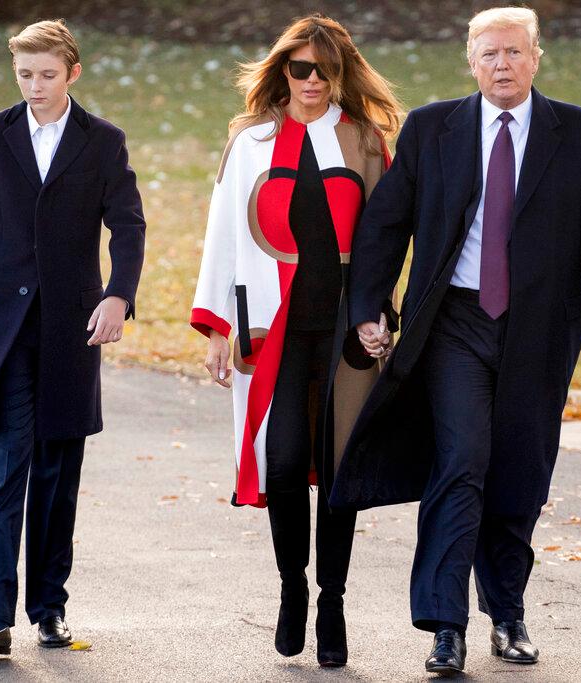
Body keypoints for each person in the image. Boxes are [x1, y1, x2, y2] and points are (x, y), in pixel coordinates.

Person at [331, 6, 581, 676]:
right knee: (461, 460)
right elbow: (387, 222)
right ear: (471, 59)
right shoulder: (435, 128)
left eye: (515, 53)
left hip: (540, 330)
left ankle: (509, 612)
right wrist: (370, 307)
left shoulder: (578, 133)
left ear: (536, 57)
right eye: (490, 53)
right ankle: (446, 626)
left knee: (519, 470)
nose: (503, 65)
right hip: (455, 325)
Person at [189, 14, 401, 668]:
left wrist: (380, 310)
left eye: (324, 70)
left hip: (345, 328)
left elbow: (389, 232)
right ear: (283, 70)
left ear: (341, 73)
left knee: (339, 471)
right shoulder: (250, 141)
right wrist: (217, 324)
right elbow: (222, 234)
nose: (311, 81)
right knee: (282, 463)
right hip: (269, 327)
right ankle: (291, 589)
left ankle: (332, 602)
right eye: (299, 68)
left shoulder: (364, 140)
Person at [0, 19, 145, 655]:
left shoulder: (103, 142)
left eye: (47, 75)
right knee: (7, 471)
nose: (35, 86)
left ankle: (49, 610)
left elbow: (129, 227)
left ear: (72, 74)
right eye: (25, 74)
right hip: (1, 330)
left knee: (58, 474)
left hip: (72, 331)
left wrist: (118, 295)